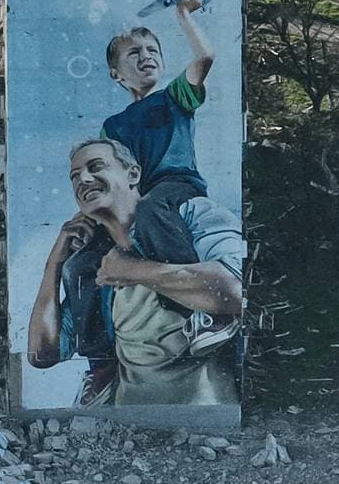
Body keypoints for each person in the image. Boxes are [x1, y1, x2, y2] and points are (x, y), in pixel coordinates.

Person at [28, 139, 244, 409]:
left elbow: (238, 292)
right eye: (74, 176)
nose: (83, 179)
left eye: (96, 167)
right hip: (127, 423)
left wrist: (131, 270)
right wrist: (54, 265)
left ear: (133, 174)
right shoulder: (93, 267)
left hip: (206, 416)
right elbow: (41, 354)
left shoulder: (189, 214)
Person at [89, 0, 238, 356]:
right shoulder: (113, 125)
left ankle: (208, 310)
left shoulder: (174, 98)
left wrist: (184, 14)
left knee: (152, 209)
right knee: (86, 259)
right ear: (116, 74)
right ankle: (101, 357)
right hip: (141, 197)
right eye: (134, 53)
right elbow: (116, 175)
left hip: (174, 187)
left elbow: (205, 57)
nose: (146, 57)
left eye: (152, 50)